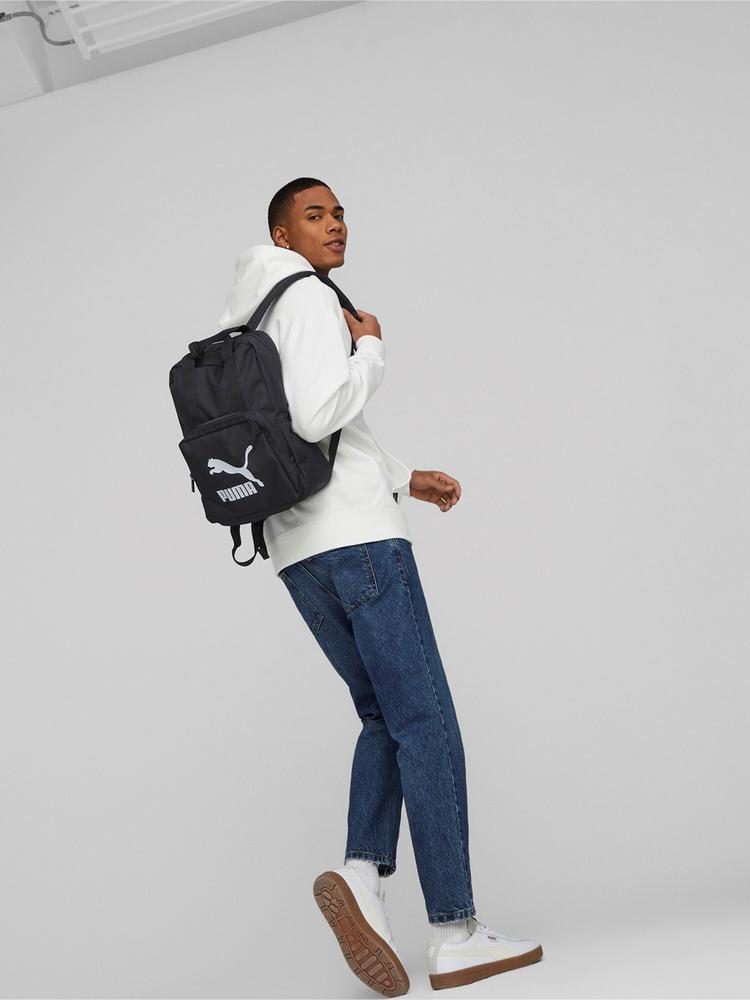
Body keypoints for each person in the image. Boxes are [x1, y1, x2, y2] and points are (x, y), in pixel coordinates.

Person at [217, 177, 543, 996]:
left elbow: (304, 434)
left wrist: (402, 475)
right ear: (282, 236)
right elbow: (319, 413)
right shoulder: (307, 298)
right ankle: (455, 932)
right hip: (361, 545)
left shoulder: (248, 316)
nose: (336, 225)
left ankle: (362, 874)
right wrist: (371, 347)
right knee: (426, 722)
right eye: (315, 215)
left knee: (383, 718)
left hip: (297, 552)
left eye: (339, 213)